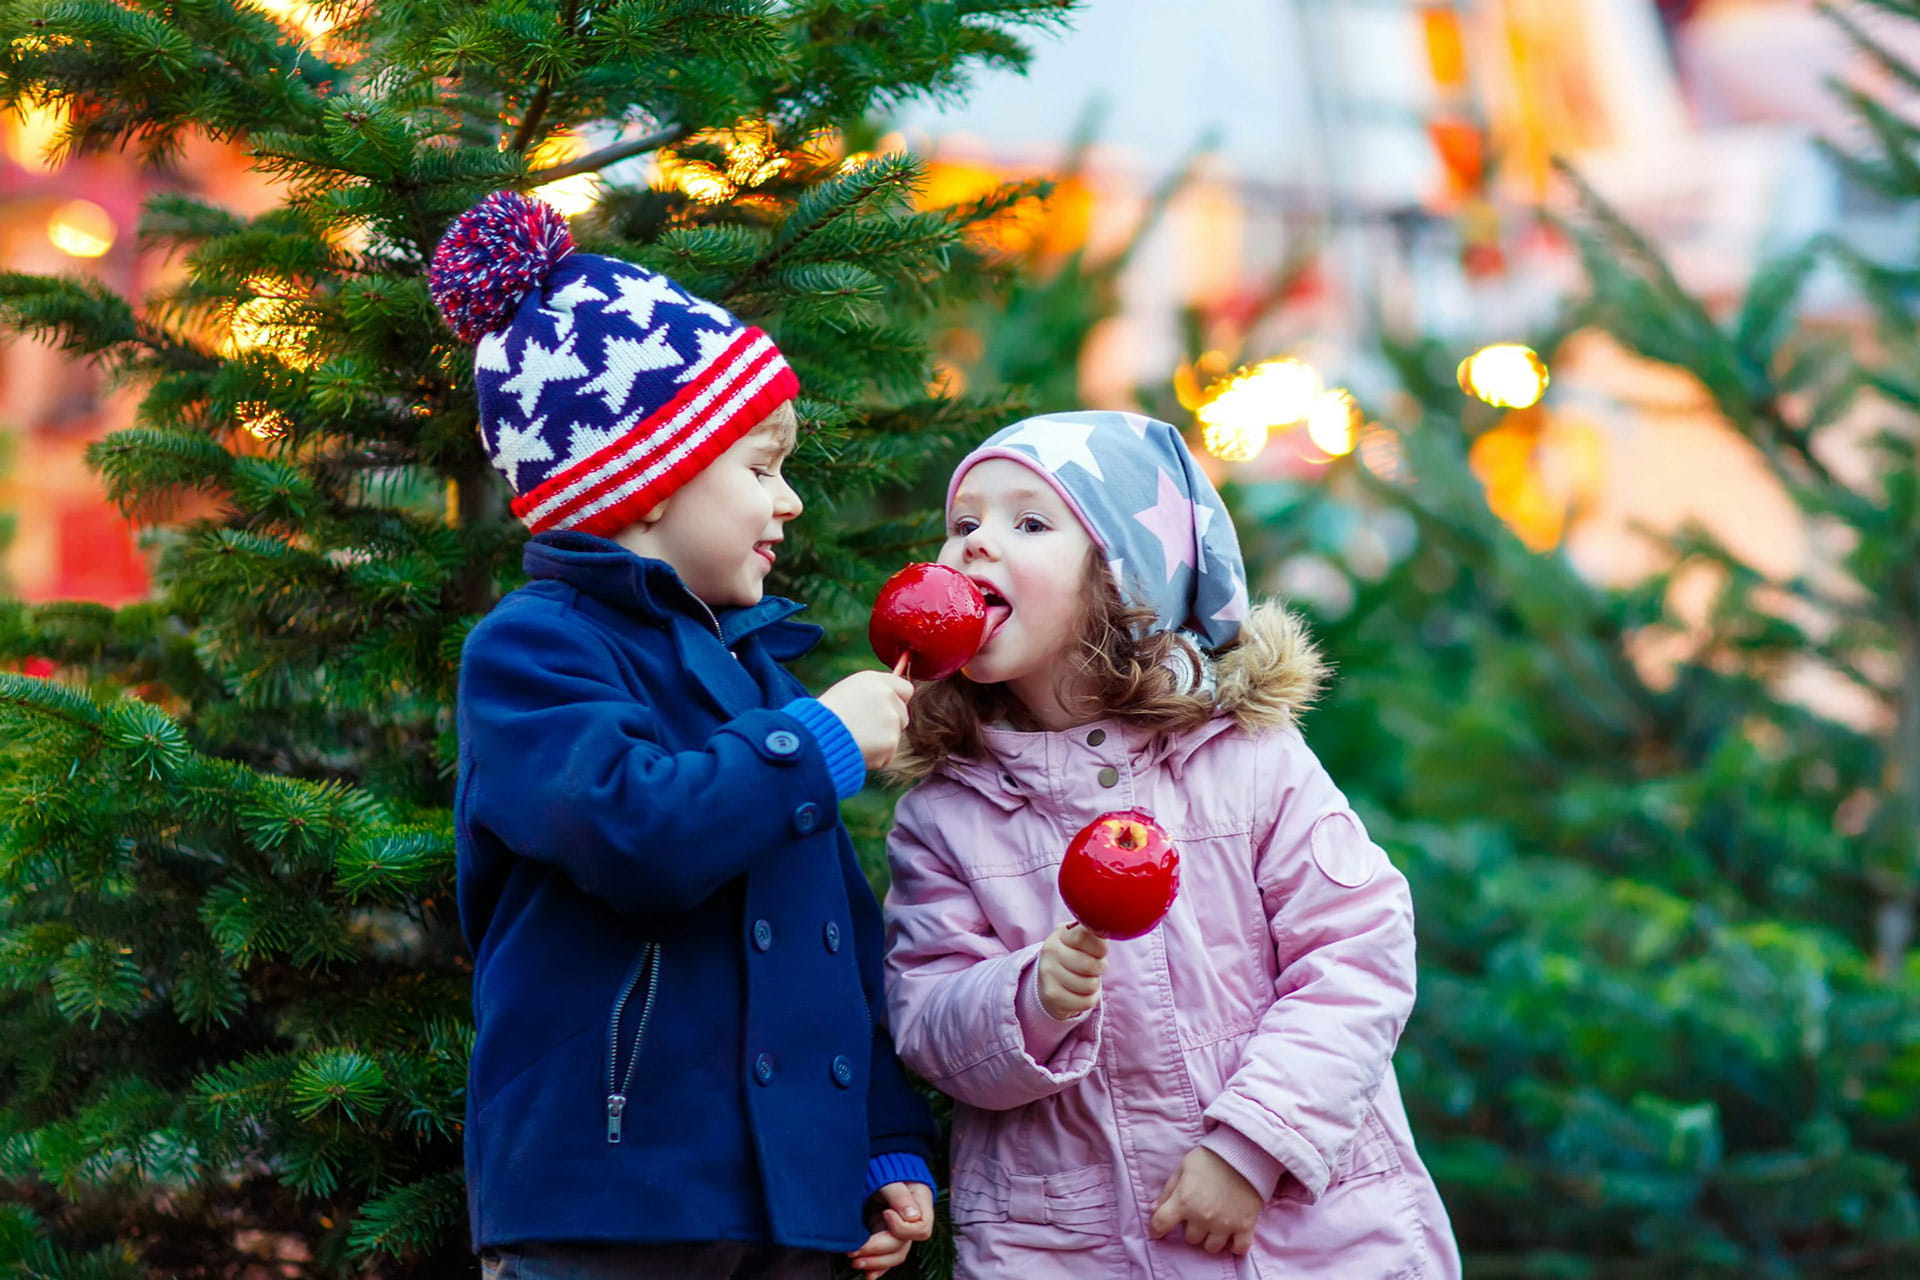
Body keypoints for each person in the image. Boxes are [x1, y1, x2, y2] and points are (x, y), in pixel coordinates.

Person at [433, 191, 936, 1280]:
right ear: (644, 481)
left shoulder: (754, 673)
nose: (790, 500)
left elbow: (833, 931)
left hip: (788, 1205)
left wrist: (883, 1134)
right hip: (612, 1201)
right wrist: (814, 743)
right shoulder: (532, 652)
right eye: (760, 468)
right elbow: (634, 830)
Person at [882, 411, 1460, 1277]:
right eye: (963, 525)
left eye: (1028, 523)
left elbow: (1358, 951)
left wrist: (1250, 1149)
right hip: (1077, 1247)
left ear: (1125, 577)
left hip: (1305, 1240)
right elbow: (927, 1023)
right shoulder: (946, 813)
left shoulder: (1247, 761)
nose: (973, 546)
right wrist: (1027, 998)